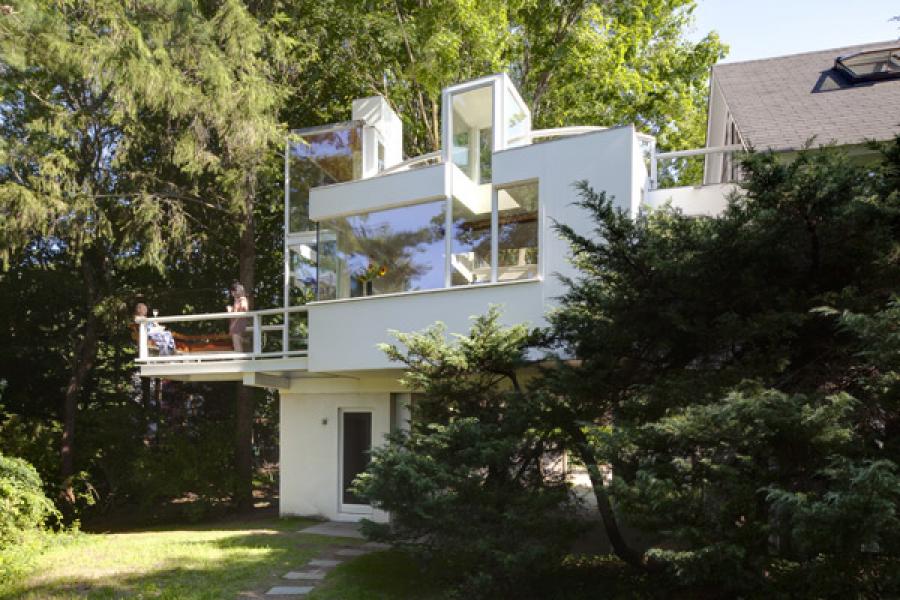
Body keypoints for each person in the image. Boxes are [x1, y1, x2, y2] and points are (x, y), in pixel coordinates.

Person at [226, 282, 250, 352]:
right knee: (237, 343)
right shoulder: (236, 300)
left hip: (238, 325)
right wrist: (231, 310)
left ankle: (238, 360)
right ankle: (245, 340)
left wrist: (231, 310)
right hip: (236, 325)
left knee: (237, 344)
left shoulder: (242, 299)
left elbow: (244, 308)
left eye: (233, 291)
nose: (232, 293)